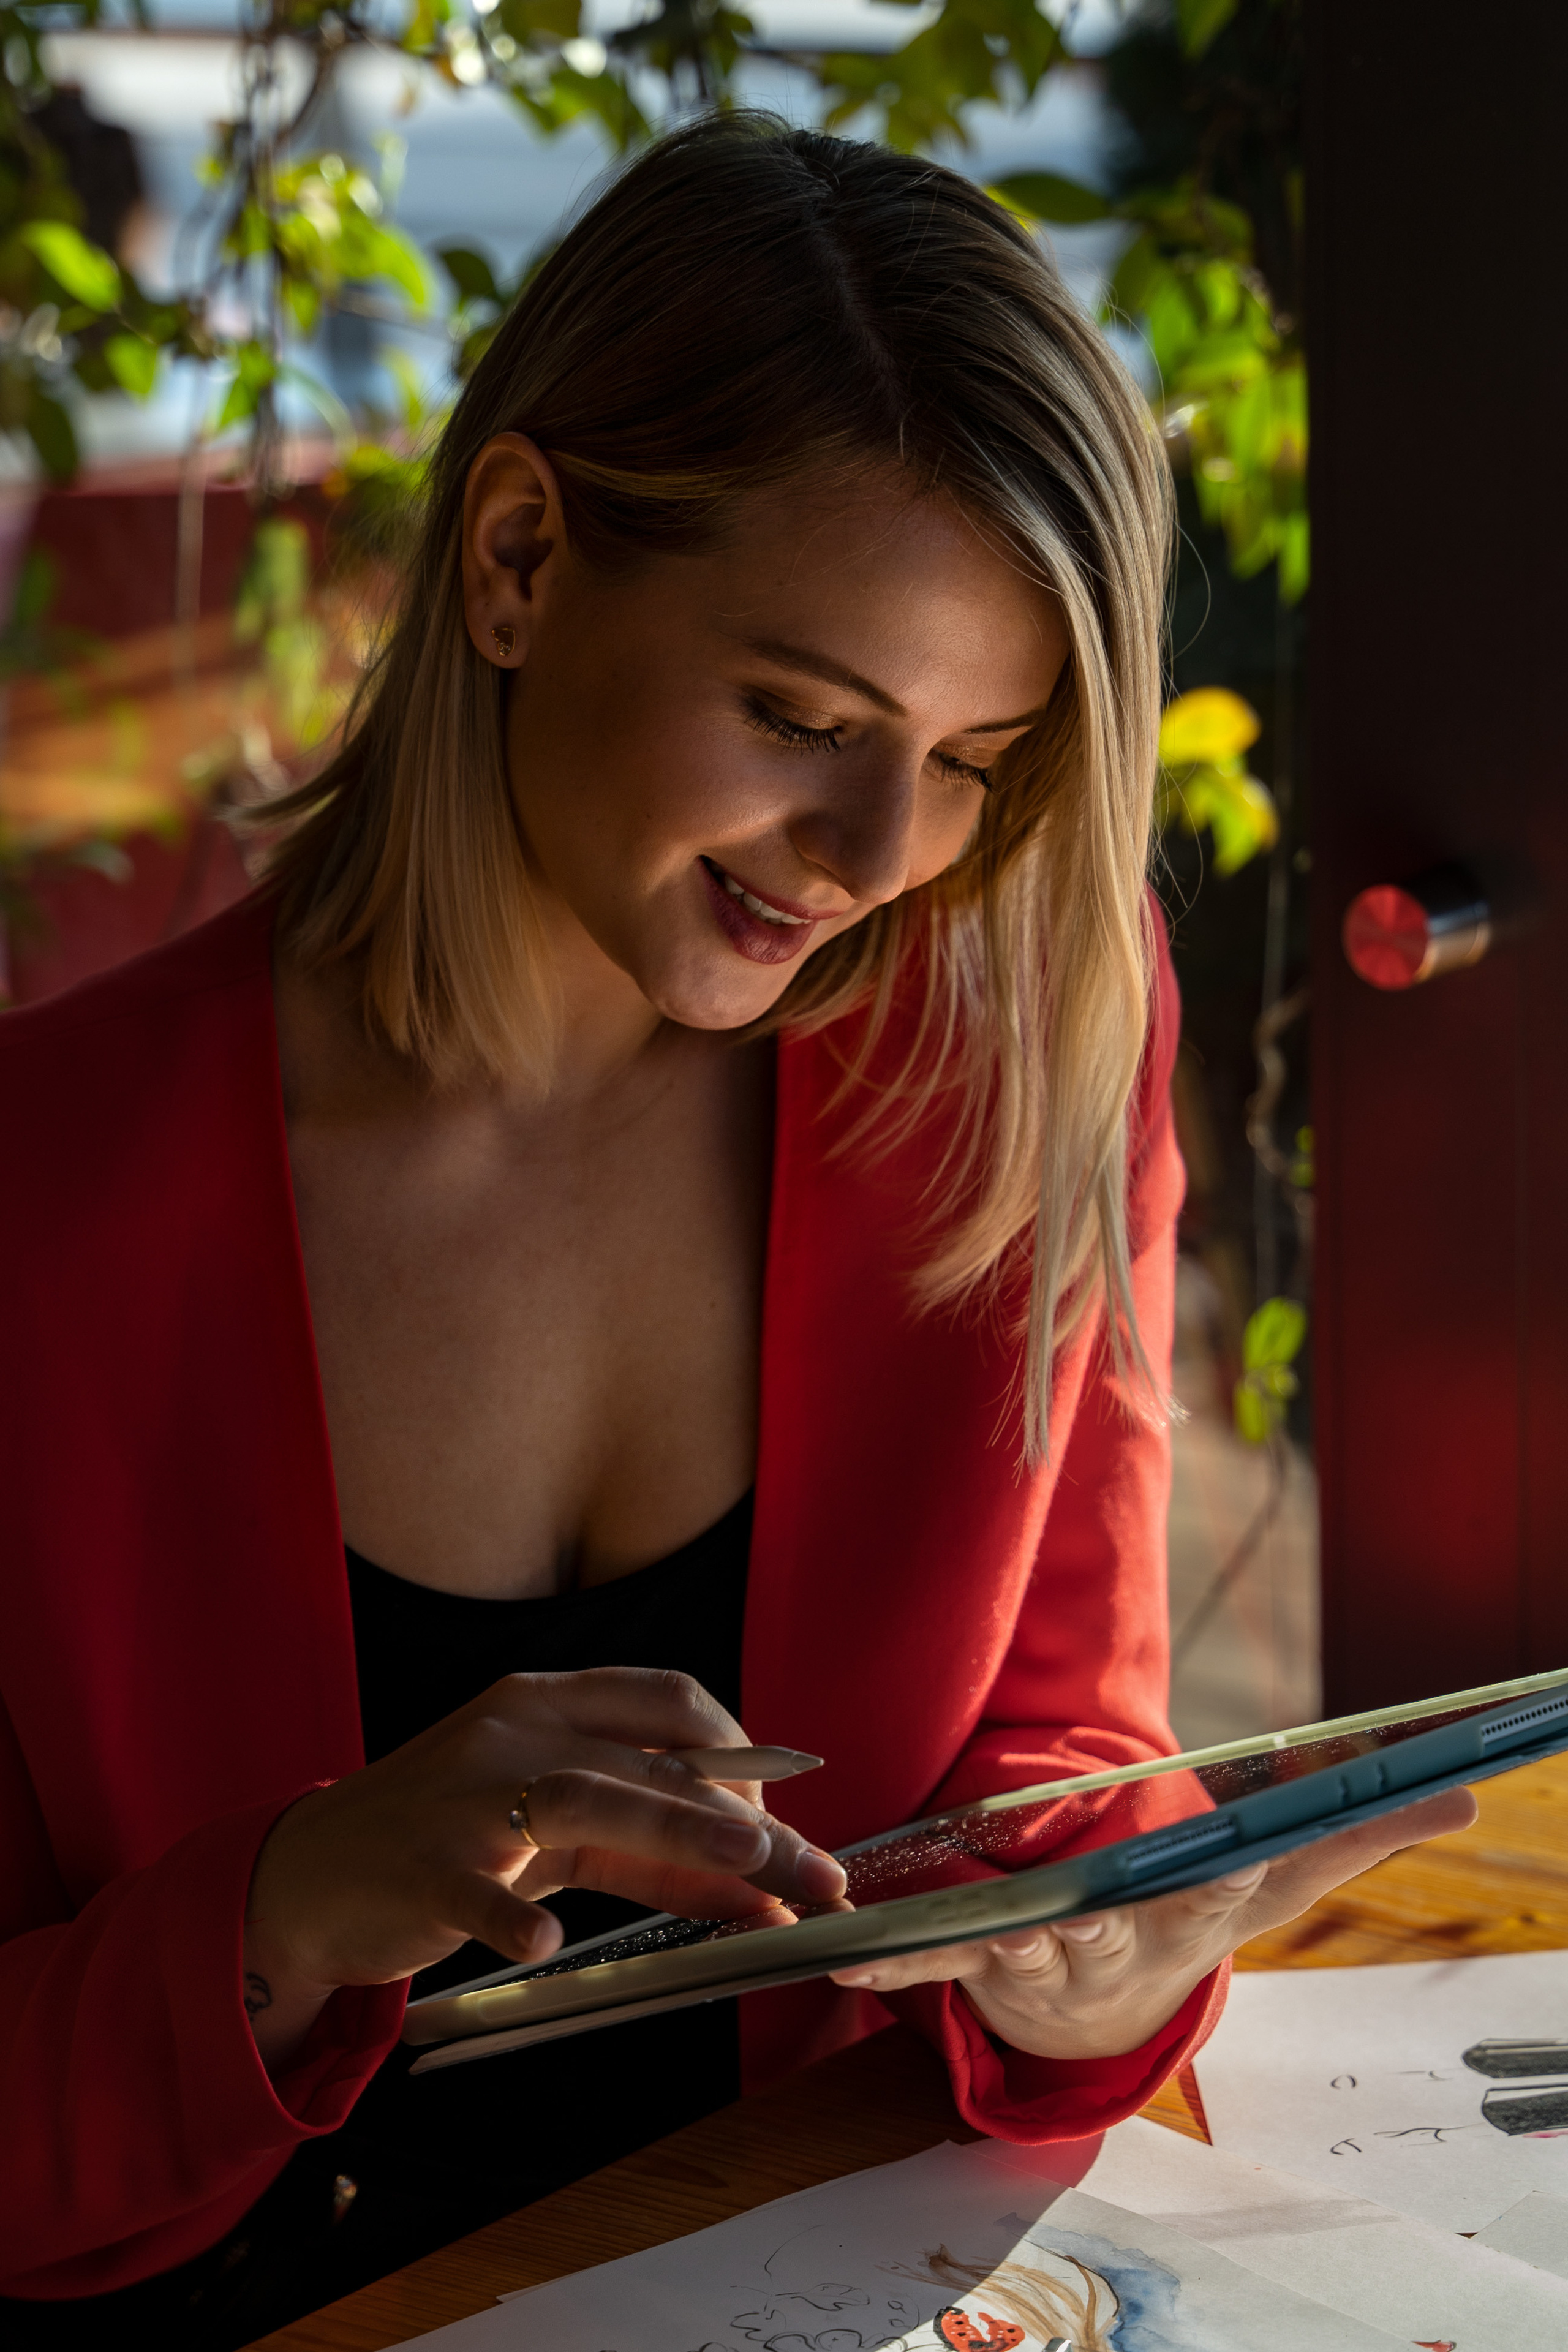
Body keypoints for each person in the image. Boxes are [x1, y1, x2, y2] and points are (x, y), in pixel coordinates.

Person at [0, 113, 1472, 2348]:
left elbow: (1060, 1743)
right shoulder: (46, 1193)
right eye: (802, 714)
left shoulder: (1026, 1048)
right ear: (514, 559)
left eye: (981, 754)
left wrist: (1098, 1939)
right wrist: (285, 1909)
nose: (888, 846)